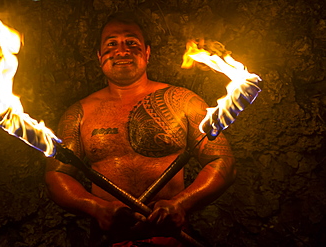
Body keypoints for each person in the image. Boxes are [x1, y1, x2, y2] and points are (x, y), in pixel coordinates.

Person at [45, 12, 236, 247]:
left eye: (131, 43)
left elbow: (222, 160)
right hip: (112, 241)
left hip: (171, 239)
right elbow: (57, 175)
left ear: (147, 53)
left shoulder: (183, 101)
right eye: (111, 44)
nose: (122, 51)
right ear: (99, 56)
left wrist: (182, 204)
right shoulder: (78, 113)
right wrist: (96, 208)